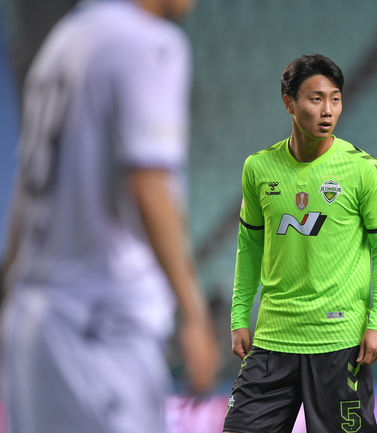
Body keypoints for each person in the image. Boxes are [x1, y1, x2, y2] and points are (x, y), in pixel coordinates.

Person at [0, 0, 219, 432]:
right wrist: (193, 315)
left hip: (34, 324)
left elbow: (25, 190)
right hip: (100, 326)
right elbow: (148, 183)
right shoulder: (147, 43)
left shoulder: (65, 40)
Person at [224, 54, 377, 433]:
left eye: (335, 99)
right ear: (289, 103)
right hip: (273, 340)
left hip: (340, 343)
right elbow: (249, 246)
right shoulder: (258, 168)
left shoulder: (363, 169)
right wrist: (239, 318)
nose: (328, 110)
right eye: (316, 99)